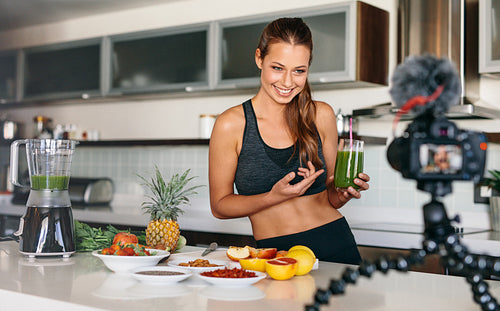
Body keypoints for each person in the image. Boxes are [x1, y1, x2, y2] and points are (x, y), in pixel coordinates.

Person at [208, 17, 370, 264]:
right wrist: (274, 196)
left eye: (299, 71)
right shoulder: (231, 124)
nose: (287, 82)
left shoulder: (321, 115)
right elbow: (219, 207)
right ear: (259, 59)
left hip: (336, 243)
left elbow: (331, 198)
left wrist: (344, 193)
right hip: (277, 254)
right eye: (277, 68)